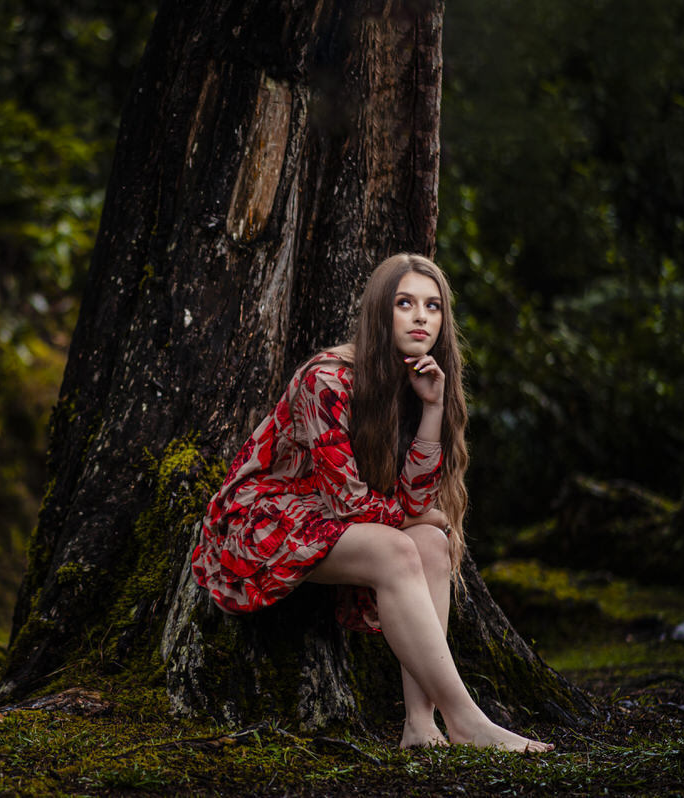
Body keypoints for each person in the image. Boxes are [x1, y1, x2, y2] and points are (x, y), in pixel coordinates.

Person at [191, 253, 552, 752]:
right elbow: (348, 502)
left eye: (432, 306)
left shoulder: (418, 379)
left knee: (431, 543)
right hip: (265, 520)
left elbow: (416, 499)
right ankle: (467, 720)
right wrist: (417, 513)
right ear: (381, 311)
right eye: (405, 303)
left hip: (327, 517)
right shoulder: (326, 378)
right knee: (402, 545)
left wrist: (432, 408)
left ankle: (420, 726)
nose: (421, 317)